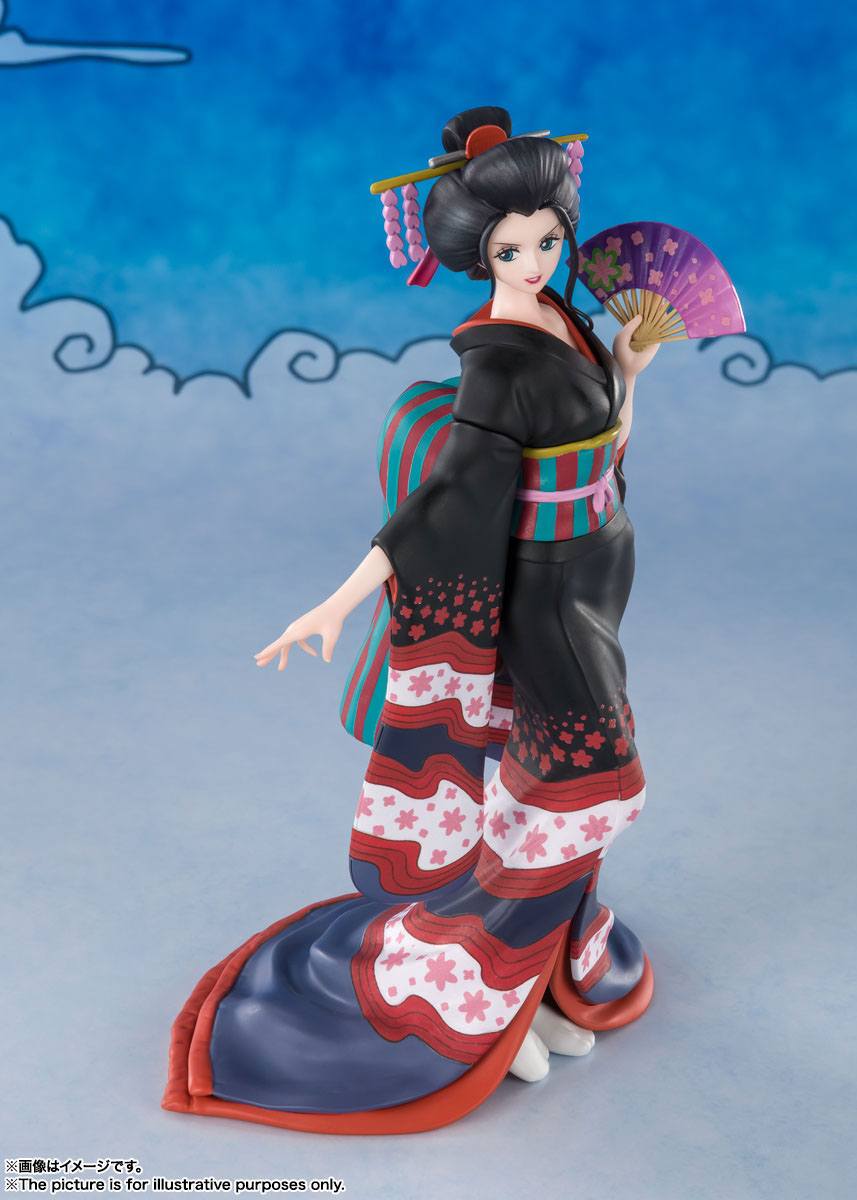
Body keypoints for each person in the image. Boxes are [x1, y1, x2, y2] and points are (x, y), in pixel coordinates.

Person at [162, 105, 659, 1135]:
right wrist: (340, 600)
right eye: (510, 250)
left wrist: (625, 367)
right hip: (543, 596)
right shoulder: (497, 363)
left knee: (538, 790)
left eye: (547, 241)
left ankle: (538, 983)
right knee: (586, 787)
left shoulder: (563, 322)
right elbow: (445, 502)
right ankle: (460, 985)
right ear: (475, 254)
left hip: (592, 573)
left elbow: (601, 443)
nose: (534, 262)